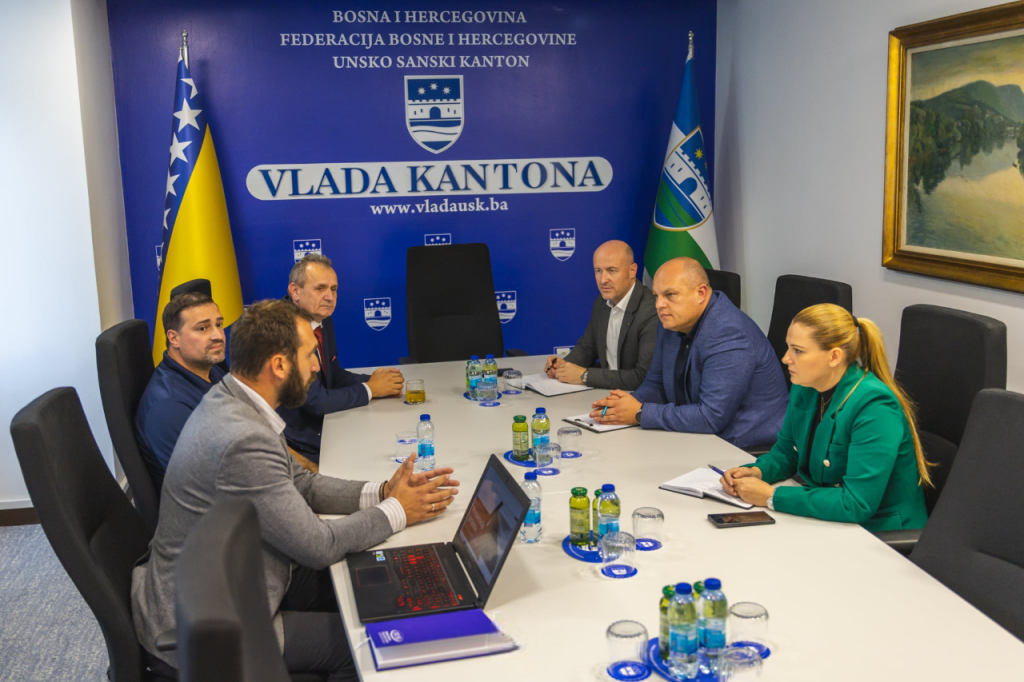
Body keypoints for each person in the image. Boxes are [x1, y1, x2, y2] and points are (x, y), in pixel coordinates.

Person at [131, 299, 460, 682]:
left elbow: (301, 482)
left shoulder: (234, 398)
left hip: (237, 579)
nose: (317, 367)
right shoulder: (242, 438)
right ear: (279, 365)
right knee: (365, 645)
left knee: (373, 584)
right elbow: (318, 546)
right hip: (209, 626)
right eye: (309, 356)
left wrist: (384, 491)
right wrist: (398, 510)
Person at [720, 304, 931, 531]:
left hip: (879, 532)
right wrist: (757, 472)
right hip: (829, 518)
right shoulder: (805, 386)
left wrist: (772, 496)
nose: (785, 358)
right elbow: (787, 453)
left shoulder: (875, 406)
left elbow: (856, 504)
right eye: (788, 347)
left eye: (798, 351)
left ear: (834, 357)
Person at [589, 257, 788, 449]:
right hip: (699, 437)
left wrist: (640, 412)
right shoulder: (671, 322)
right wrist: (624, 406)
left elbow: (711, 417)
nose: (659, 305)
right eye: (656, 296)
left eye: (670, 295)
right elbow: (656, 384)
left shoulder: (729, 333)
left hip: (743, 448)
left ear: (701, 293)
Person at [280, 254, 404, 466]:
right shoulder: (285, 330)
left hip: (327, 427)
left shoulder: (323, 320)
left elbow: (333, 374)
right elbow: (315, 401)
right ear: (295, 291)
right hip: (301, 445)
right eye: (320, 288)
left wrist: (378, 381)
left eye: (334, 289)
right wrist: (372, 389)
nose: (329, 297)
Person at [135, 291, 227, 490]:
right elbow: (209, 489)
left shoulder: (210, 371)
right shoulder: (169, 407)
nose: (218, 336)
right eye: (202, 328)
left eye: (219, 325)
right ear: (174, 338)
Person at [544, 240, 657, 391]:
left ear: (632, 271)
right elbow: (587, 347)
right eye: (598, 271)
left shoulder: (651, 309)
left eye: (611, 270)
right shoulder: (601, 302)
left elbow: (643, 377)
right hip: (605, 394)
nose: (603, 280)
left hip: (637, 398)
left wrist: (585, 376)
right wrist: (563, 365)